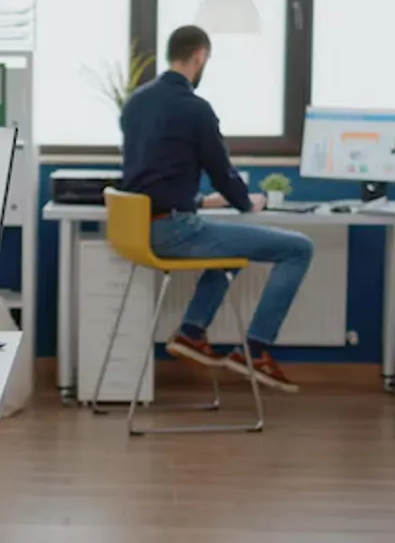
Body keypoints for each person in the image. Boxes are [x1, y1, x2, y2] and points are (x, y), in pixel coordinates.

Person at [119, 25, 314, 393]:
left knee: (228, 250)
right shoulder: (195, 109)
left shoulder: (136, 102)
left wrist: (199, 202)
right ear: (200, 56)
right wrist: (247, 202)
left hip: (142, 228)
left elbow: (147, 177)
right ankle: (255, 351)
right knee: (299, 248)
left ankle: (193, 331)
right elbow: (222, 172)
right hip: (175, 231)